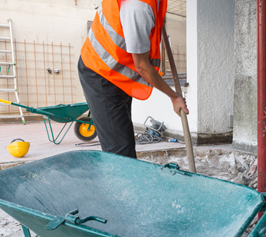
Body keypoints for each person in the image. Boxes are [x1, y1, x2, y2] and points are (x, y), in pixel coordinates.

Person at [78, 0, 188, 158]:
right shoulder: (137, 8)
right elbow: (142, 66)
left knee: (124, 138)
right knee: (120, 151)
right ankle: (123, 180)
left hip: (117, 70)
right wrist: (174, 97)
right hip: (100, 72)